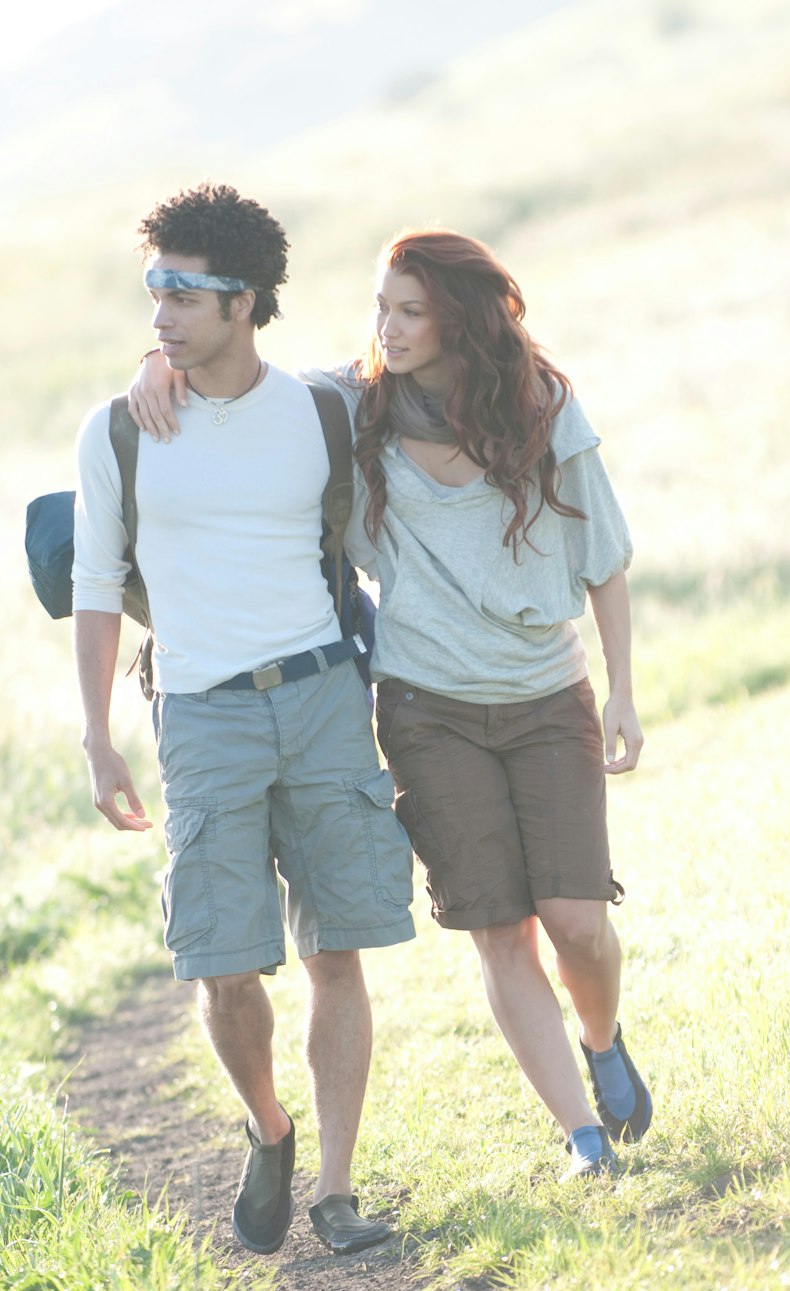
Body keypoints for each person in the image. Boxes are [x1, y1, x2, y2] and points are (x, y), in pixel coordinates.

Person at [131, 228, 651, 1179]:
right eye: (382, 306)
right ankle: (583, 1139)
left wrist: (622, 688)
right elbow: (238, 376)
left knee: (576, 919)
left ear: (462, 317)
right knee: (501, 928)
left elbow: (605, 557)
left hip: (546, 696)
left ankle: (604, 1037)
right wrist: (150, 365)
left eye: (412, 310)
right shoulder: (355, 403)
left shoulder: (543, 403)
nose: (390, 326)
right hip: (425, 706)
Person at [74, 184, 415, 1257]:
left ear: (246, 303)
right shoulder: (121, 429)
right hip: (199, 713)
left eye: (187, 292)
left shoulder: (320, 411)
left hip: (320, 697)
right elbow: (93, 585)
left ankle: (338, 1191)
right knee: (222, 963)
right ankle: (269, 1127)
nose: (163, 312)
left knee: (337, 950)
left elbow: (381, 537)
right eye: (155, 289)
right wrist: (95, 736)